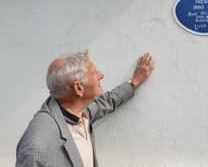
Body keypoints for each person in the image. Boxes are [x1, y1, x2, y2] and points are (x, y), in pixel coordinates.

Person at [16, 51, 154, 167]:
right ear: (78, 88)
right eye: (94, 72)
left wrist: (133, 82)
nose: (101, 75)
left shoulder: (78, 111)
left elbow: (104, 103)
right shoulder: (36, 148)